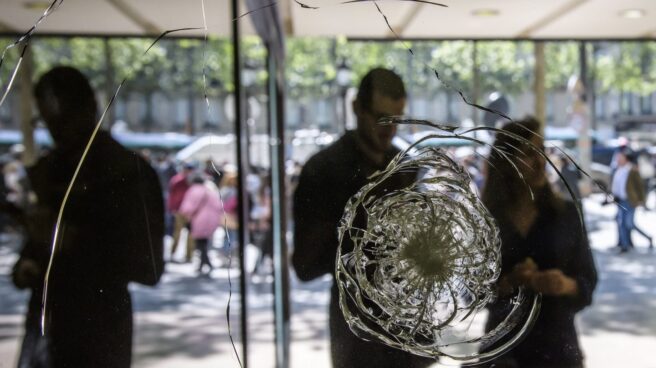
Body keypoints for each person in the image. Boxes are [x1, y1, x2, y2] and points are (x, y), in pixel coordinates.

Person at [11, 66, 165, 368]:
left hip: (97, 336)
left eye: (62, 118)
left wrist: (69, 238)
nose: (55, 130)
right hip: (48, 331)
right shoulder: (51, 169)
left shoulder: (126, 173)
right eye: (48, 120)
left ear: (89, 109)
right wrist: (28, 263)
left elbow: (149, 267)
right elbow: (37, 247)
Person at [292, 68, 432, 368]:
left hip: (406, 329)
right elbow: (304, 265)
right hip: (357, 334)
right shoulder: (324, 170)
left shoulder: (405, 168)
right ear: (357, 109)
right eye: (380, 118)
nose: (388, 128)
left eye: (396, 119)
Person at [480, 117, 597, 368]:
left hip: (556, 350)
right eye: (528, 153)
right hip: (501, 355)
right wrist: (508, 283)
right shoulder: (485, 219)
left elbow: (587, 283)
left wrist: (564, 284)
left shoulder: (566, 214)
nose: (540, 161)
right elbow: (469, 295)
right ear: (507, 162)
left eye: (542, 151)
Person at [179, 172, 223, 274]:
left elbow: (187, 208)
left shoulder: (193, 190)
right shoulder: (209, 189)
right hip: (212, 219)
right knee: (204, 242)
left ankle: (204, 264)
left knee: (200, 242)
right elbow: (219, 205)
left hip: (199, 219)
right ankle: (205, 263)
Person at [611, 148, 651, 252]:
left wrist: (642, 201)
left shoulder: (632, 170)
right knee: (621, 223)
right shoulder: (618, 170)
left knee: (629, 224)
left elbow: (640, 186)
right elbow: (616, 186)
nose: (618, 159)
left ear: (626, 159)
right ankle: (625, 245)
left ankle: (648, 238)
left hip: (630, 201)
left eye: (620, 157)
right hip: (620, 200)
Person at [168, 162, 195, 262]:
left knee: (190, 234)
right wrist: (172, 209)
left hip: (190, 211)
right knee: (178, 233)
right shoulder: (177, 180)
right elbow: (172, 196)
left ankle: (189, 256)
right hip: (180, 211)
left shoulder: (191, 180)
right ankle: (173, 253)